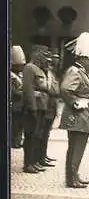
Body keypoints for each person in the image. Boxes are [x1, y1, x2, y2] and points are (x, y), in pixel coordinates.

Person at [58, 31, 89, 188]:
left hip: (83, 115)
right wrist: (75, 102)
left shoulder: (81, 71)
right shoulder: (75, 71)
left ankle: (73, 175)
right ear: (82, 58)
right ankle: (72, 178)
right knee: (76, 147)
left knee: (77, 147)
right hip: (78, 115)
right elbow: (65, 89)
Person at [22, 44, 51, 174]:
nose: (45, 58)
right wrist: (32, 107)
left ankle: (34, 162)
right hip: (33, 108)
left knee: (37, 136)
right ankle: (28, 164)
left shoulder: (39, 69)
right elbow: (28, 89)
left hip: (41, 107)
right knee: (30, 135)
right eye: (43, 55)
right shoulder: (29, 68)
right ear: (36, 54)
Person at [38, 52, 61, 168]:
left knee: (46, 133)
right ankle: (40, 157)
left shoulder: (54, 74)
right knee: (42, 133)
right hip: (46, 107)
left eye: (58, 60)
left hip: (52, 106)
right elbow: (52, 89)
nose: (56, 62)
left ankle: (43, 155)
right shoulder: (47, 73)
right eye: (53, 61)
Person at [11, 45, 26, 149]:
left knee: (20, 124)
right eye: (19, 65)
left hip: (21, 104)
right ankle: (14, 141)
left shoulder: (20, 74)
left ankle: (18, 140)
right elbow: (14, 91)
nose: (21, 67)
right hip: (14, 103)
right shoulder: (11, 75)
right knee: (15, 124)